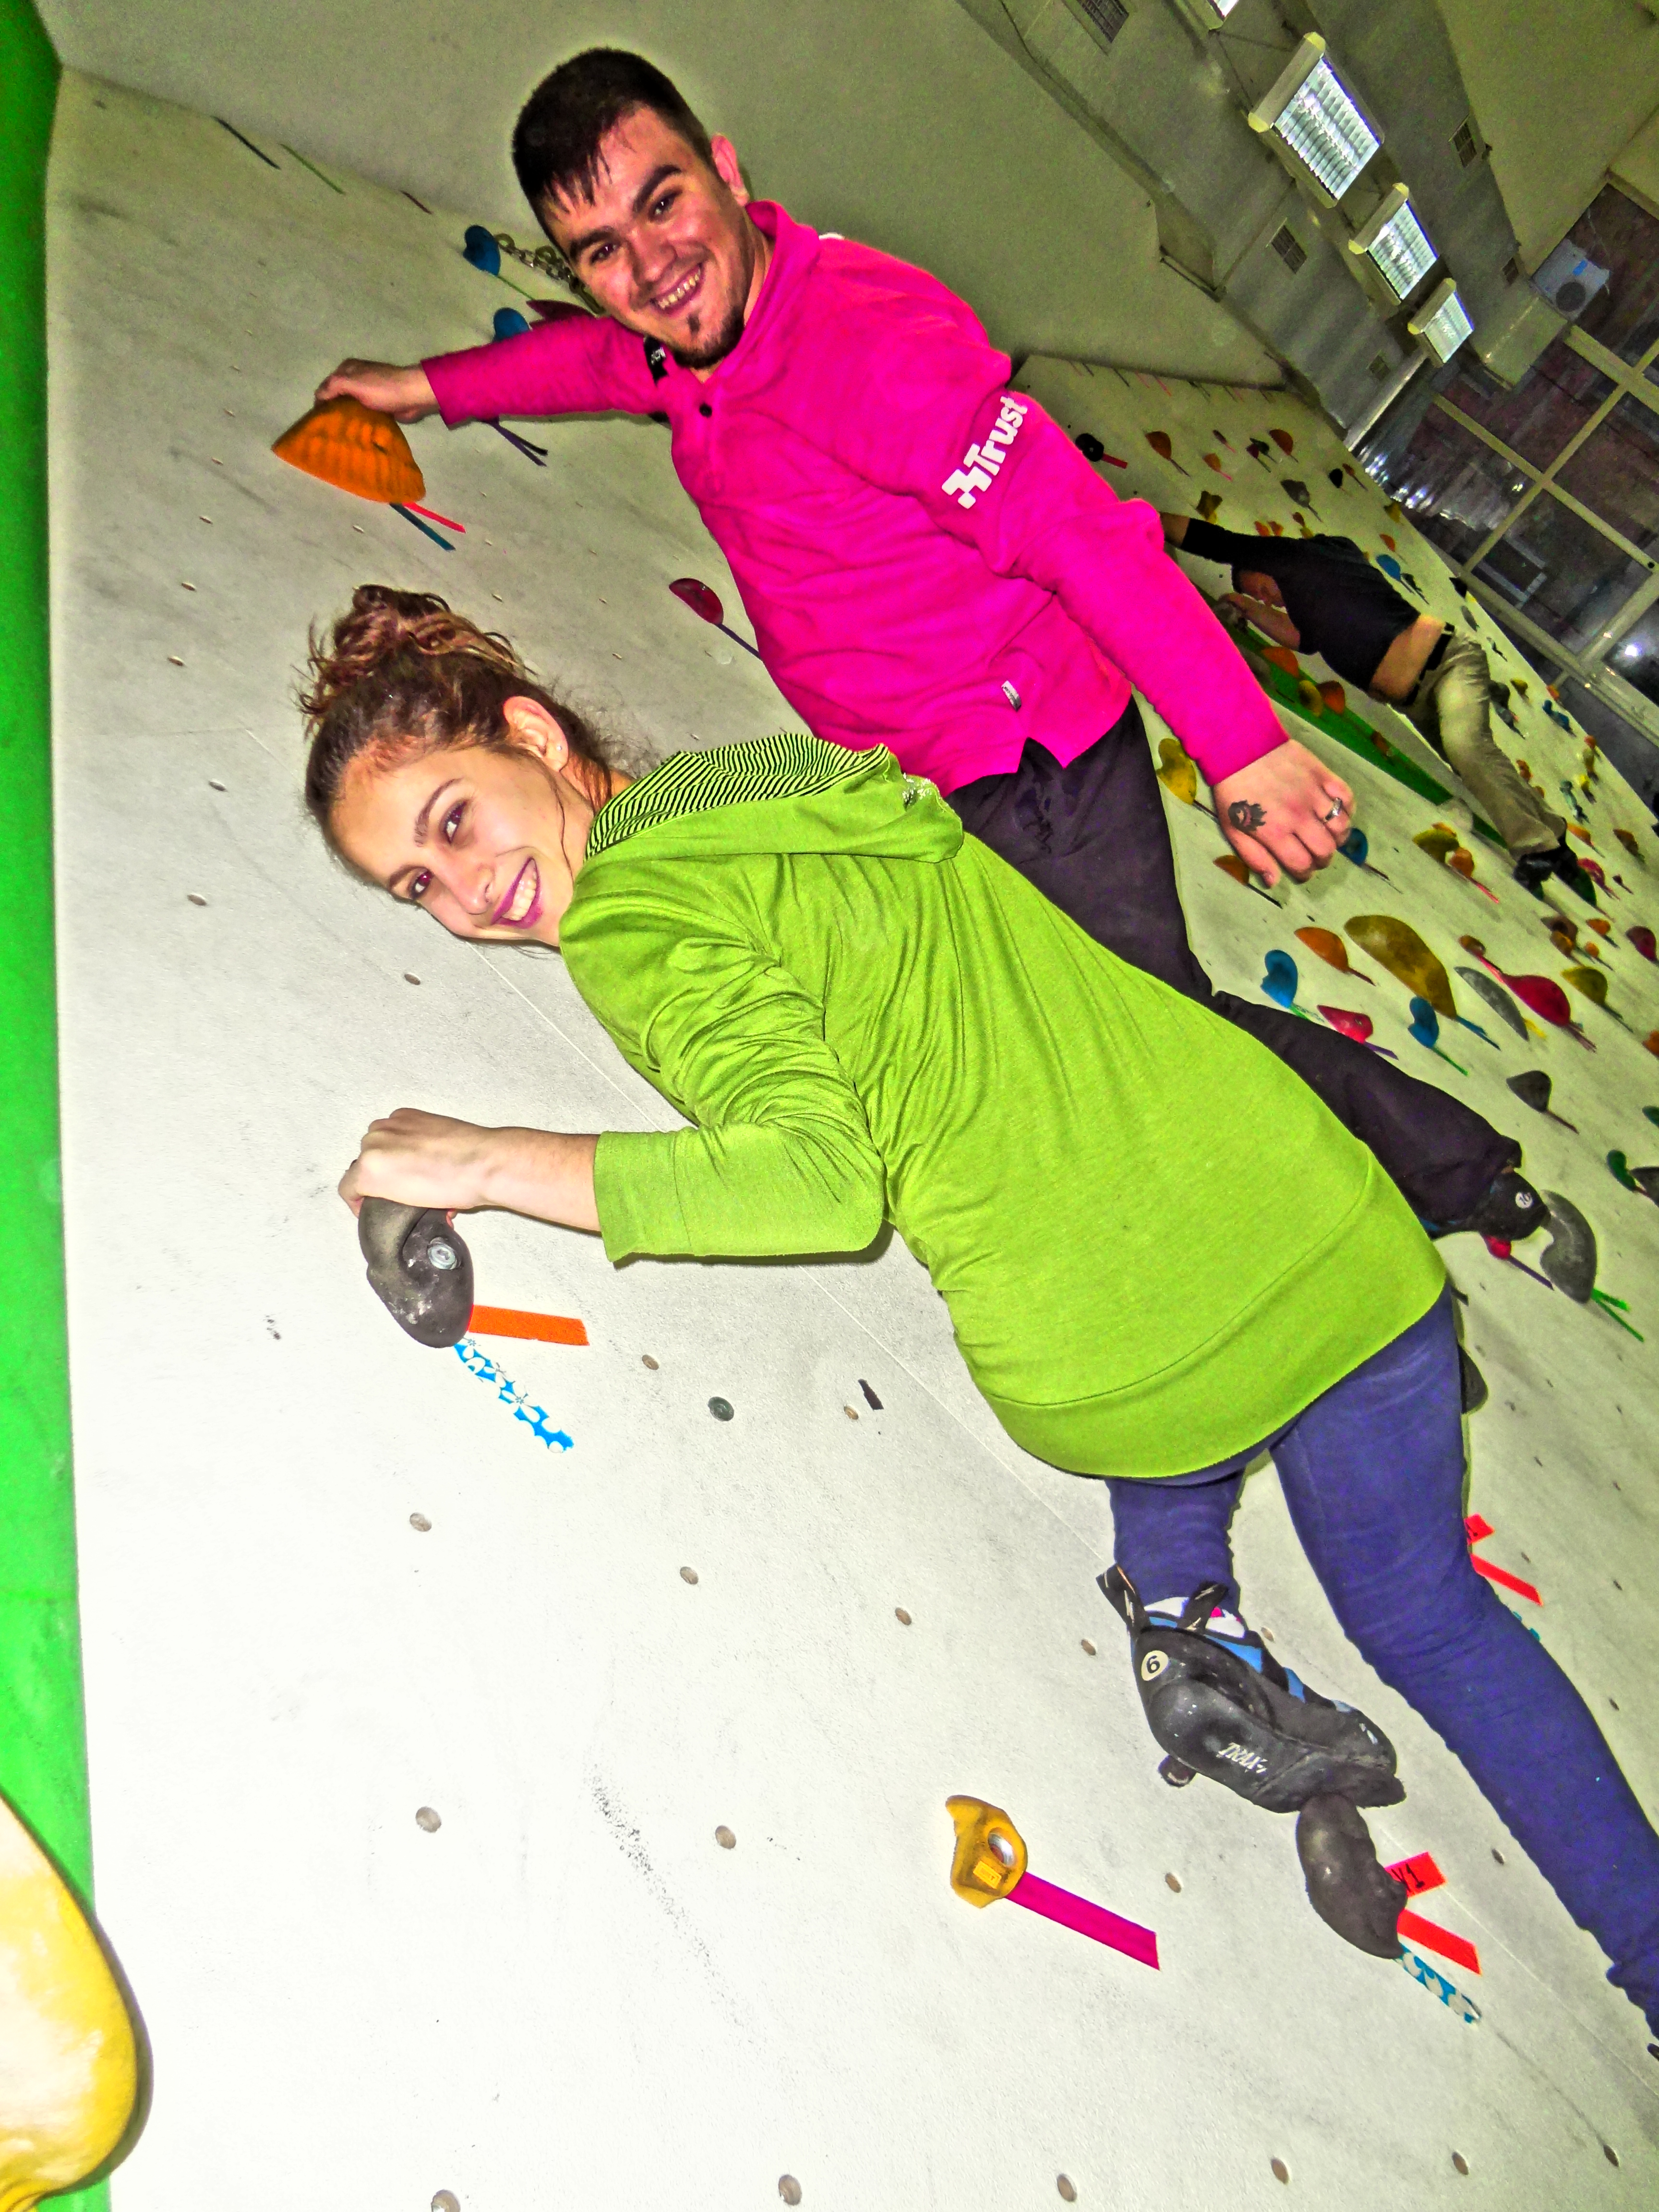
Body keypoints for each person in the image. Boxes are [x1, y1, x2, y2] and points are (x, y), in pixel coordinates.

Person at [307, 584, 1659, 2037]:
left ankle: (1180, 1611)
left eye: (453, 823)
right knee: (1435, 1619)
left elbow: (815, 1187)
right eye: (416, 885)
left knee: (1147, 1363)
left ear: (528, 734)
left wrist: (485, 1161)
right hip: (1327, 1219)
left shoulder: (632, 929)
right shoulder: (763, 779)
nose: (465, 892)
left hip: (1128, 1360)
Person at [312, 47, 1542, 1246]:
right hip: (921, 778)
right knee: (1092, 1041)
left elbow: (1078, 533)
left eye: (663, 202)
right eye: (601, 252)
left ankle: (1449, 1182)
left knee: (1161, 1037)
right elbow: (590, 362)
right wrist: (425, 387)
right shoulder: (685, 342)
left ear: (725, 171)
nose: (649, 266)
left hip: (1033, 763)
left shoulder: (865, 345)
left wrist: (1241, 746)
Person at [1161, 513, 1593, 901]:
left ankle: (1537, 848)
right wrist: (1249, 608)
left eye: (1261, 588)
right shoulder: (1315, 601)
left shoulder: (1299, 560)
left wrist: (1146, 520)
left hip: (1446, 664)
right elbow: (1301, 640)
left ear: (1266, 564)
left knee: (1467, 747)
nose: (1271, 600)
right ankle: (1553, 835)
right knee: (1472, 759)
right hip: (1414, 695)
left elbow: (1214, 540)